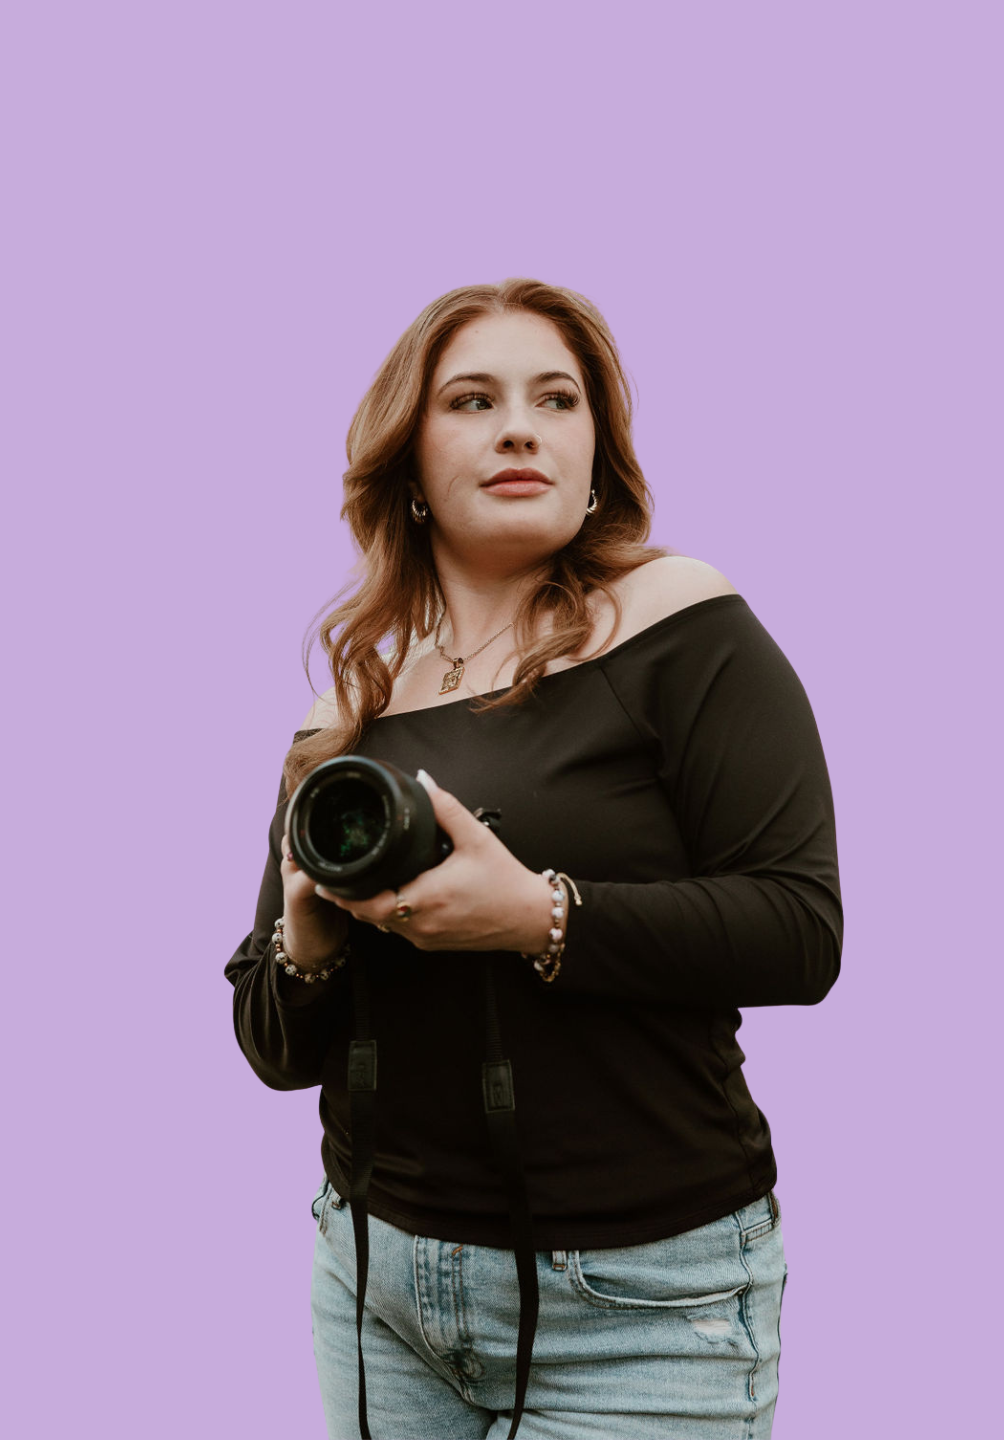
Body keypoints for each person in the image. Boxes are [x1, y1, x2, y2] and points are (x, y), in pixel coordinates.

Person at [225, 277, 843, 1440]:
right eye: (472, 399)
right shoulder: (340, 723)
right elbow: (274, 1051)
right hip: (376, 1288)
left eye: (556, 399)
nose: (520, 425)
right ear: (407, 464)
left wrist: (537, 916)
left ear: (597, 450)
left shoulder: (680, 623)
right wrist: (305, 946)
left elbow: (801, 931)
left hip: (644, 1303)